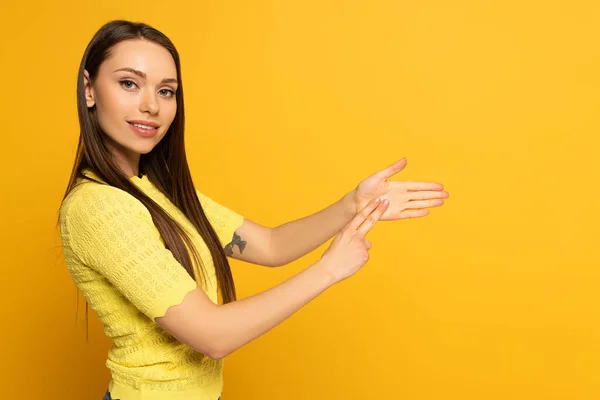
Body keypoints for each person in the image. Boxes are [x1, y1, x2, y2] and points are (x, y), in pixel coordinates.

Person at [58, 19, 449, 400]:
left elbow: (269, 245)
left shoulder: (159, 191)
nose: (151, 106)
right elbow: (213, 336)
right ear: (89, 90)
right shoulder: (98, 206)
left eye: (166, 91)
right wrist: (329, 269)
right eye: (129, 83)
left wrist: (353, 204)